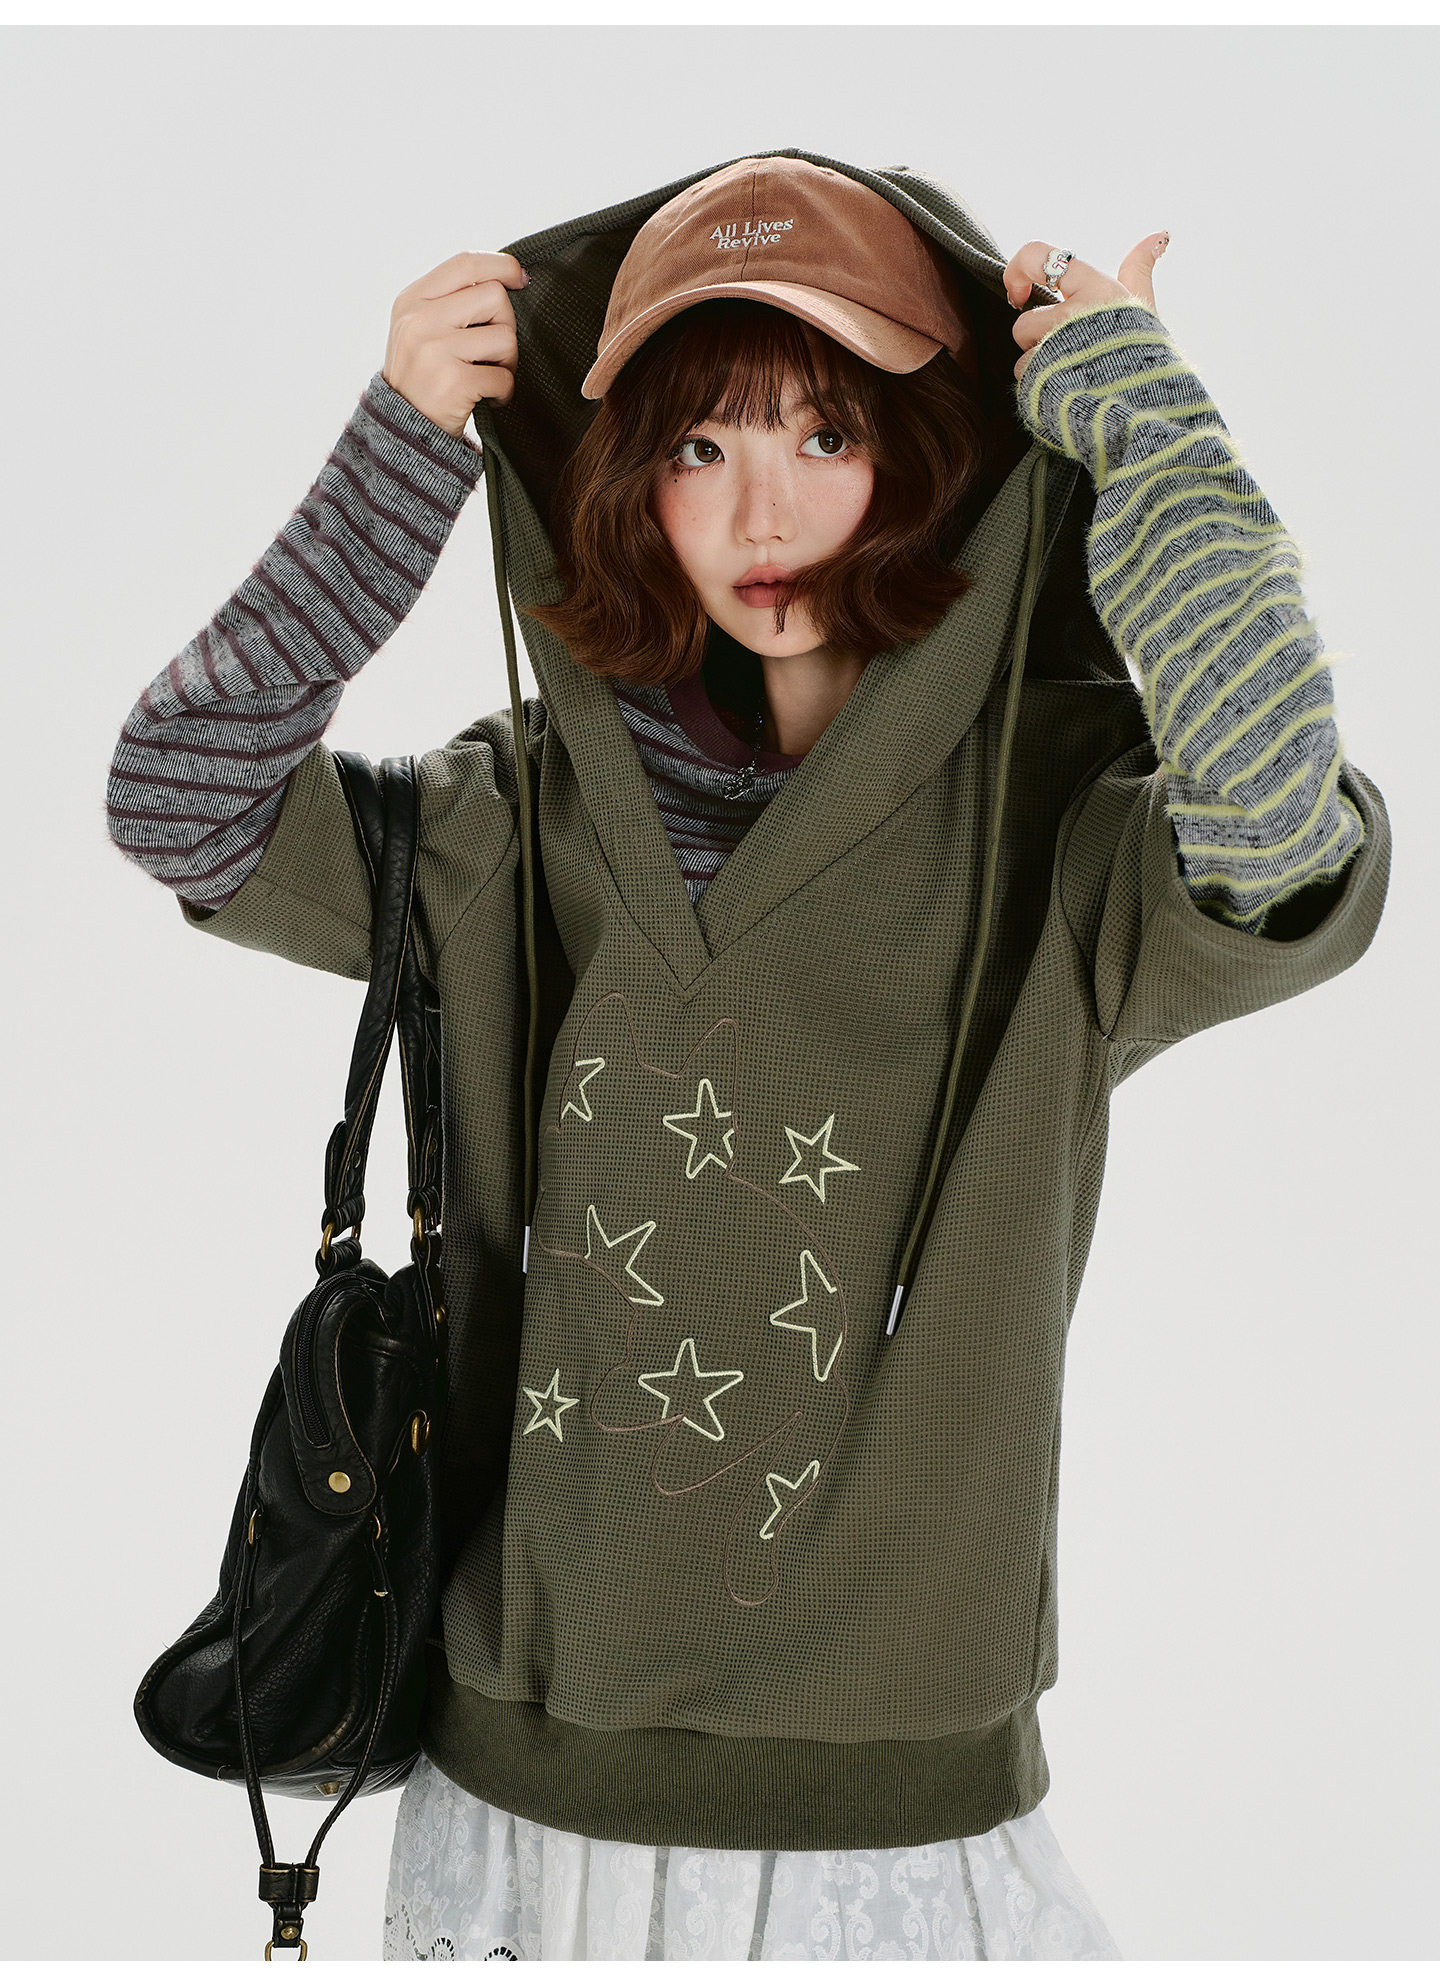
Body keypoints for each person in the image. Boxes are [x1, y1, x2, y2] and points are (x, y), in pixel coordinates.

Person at [106, 153, 1390, 1963]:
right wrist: (397, 458)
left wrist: (1154, 438)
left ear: (929, 458)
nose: (761, 509)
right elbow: (181, 797)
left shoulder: (1056, 835)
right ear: (626, 482)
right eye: (700, 446)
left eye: (824, 435)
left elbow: (1274, 825)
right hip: (520, 1781)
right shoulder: (516, 816)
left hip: (886, 1801)